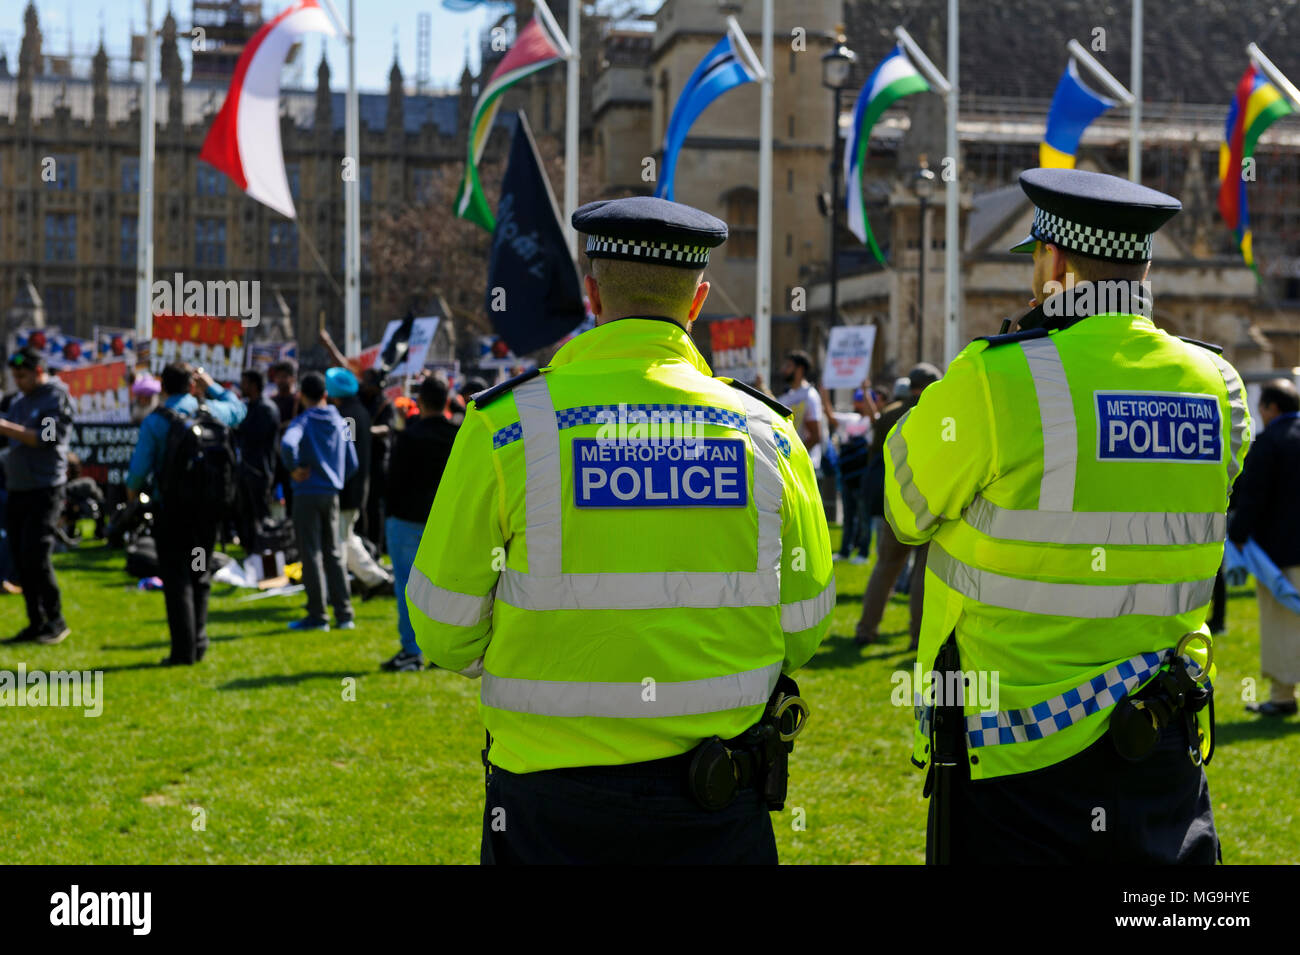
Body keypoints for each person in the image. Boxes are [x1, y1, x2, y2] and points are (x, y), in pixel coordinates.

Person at [406, 196, 834, 865]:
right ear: (697, 303)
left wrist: (547, 668)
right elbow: (804, 626)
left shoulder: (508, 426)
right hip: (716, 805)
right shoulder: (767, 434)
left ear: (592, 293)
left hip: (548, 803)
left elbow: (441, 624)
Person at [887, 168, 1250, 864]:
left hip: (1014, 751)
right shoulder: (1219, 385)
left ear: (1053, 262)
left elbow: (905, 511)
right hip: (1160, 738)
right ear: (1142, 267)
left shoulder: (993, 378)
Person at [125, 362, 247, 665]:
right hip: (208, 510)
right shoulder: (213, 412)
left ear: (162, 387)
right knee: (200, 573)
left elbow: (138, 471)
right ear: (192, 385)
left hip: (172, 511)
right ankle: (200, 642)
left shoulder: (157, 421)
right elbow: (239, 408)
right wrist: (212, 384)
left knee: (177, 578)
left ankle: (183, 651)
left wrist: (133, 496)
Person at [855, 365, 941, 648]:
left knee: (886, 567)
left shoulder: (890, 414)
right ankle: (918, 637)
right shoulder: (938, 414)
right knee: (922, 572)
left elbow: (876, 457)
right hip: (927, 501)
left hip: (894, 501)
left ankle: (866, 629)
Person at [1228, 377, 1300, 716]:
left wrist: (1238, 536)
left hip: (1280, 552)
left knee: (1283, 625)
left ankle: (1283, 696)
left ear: (1271, 407)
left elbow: (1253, 498)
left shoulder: (1270, 441)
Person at [381, 373, 459, 672]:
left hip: (408, 519)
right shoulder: (457, 434)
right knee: (448, 588)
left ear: (420, 402)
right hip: (444, 520)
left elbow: (393, 479)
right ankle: (442, 651)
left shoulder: (410, 437)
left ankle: (412, 651)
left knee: (408, 589)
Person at [0, 348, 74, 645]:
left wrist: (4, 426)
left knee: (37, 554)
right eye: (14, 376)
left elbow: (45, 437)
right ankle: (36, 622)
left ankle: (56, 621)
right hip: (18, 487)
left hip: (44, 489)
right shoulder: (20, 401)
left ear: (39, 371)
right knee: (20, 555)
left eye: (23, 375)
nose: (18, 381)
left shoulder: (54, 398)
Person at [281, 371, 357, 632]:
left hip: (306, 493)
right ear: (326, 395)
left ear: (302, 396)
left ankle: (318, 615)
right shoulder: (341, 422)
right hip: (331, 493)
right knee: (334, 553)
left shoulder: (302, 421)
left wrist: (293, 469)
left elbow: (288, 445)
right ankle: (345, 615)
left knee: (311, 554)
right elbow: (353, 462)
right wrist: (335, 478)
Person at [326, 367, 393, 597]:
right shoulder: (358, 411)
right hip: (355, 488)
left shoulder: (348, 415)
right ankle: (377, 579)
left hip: (347, 489)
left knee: (339, 542)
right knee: (347, 538)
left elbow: (347, 453)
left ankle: (342, 589)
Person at [234, 369, 281, 555]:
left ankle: (266, 552)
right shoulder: (248, 407)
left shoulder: (266, 409)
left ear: (253, 385)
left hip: (260, 471)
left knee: (260, 515)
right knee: (245, 514)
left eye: (244, 382)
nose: (241, 386)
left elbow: (254, 436)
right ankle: (250, 550)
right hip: (246, 470)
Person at [833, 386, 876, 564]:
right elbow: (830, 416)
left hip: (862, 477)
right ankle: (845, 551)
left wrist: (866, 390)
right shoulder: (851, 418)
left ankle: (863, 553)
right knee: (849, 517)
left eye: (864, 399)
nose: (859, 403)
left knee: (864, 518)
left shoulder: (874, 421)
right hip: (848, 476)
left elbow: (874, 418)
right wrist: (825, 390)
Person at [777, 350, 823, 469]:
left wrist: (794, 455)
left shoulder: (810, 395)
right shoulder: (786, 397)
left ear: (800, 369)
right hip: (792, 465)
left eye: (789, 366)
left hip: (807, 465)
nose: (784, 370)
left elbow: (815, 436)